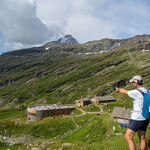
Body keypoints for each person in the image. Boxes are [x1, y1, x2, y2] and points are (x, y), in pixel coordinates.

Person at [116, 75, 149, 150]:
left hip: (137, 118)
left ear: (136, 82)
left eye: (133, 82)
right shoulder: (148, 90)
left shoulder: (136, 92)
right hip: (146, 117)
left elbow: (124, 91)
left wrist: (118, 89)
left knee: (128, 136)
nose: (133, 83)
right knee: (142, 136)